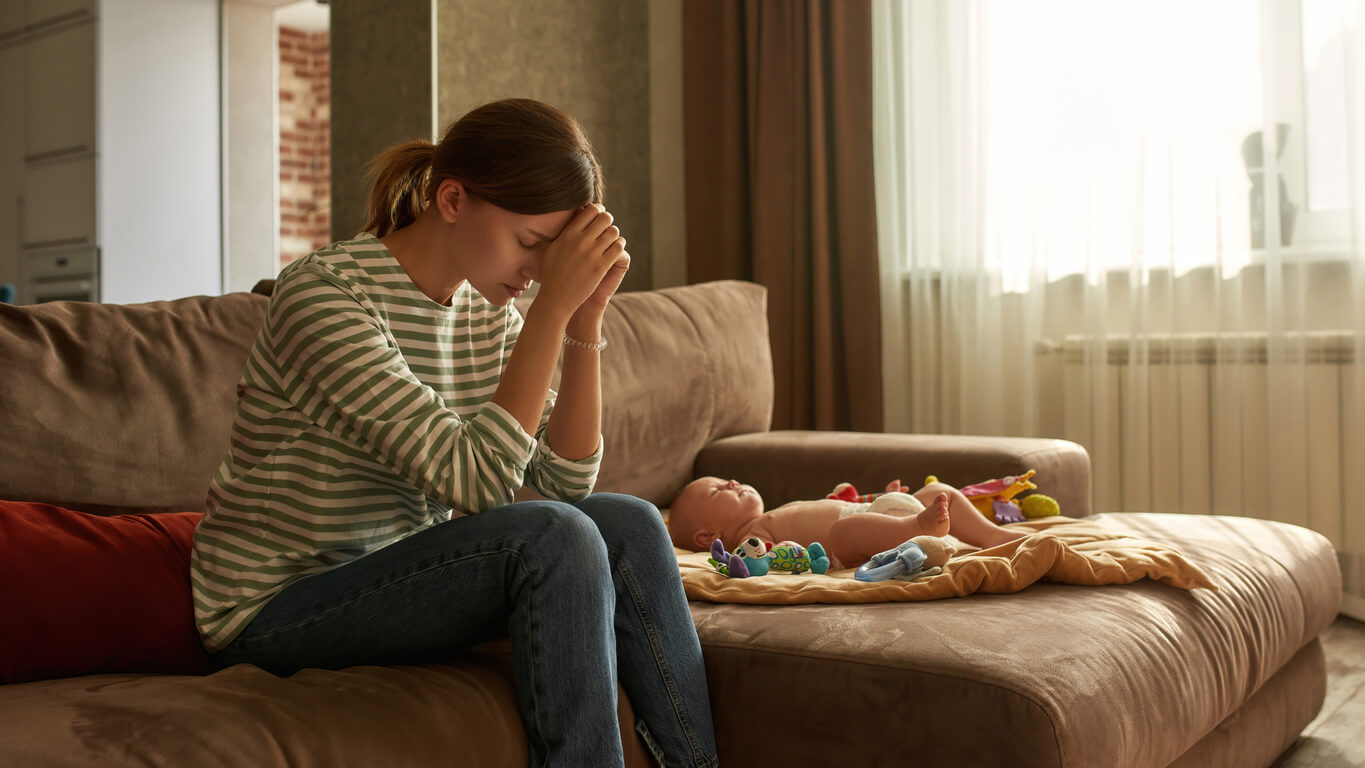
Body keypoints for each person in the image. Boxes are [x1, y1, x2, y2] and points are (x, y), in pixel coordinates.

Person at [190, 98, 718, 768]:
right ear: (451, 199)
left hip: (401, 576)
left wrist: (583, 319)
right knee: (555, 535)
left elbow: (564, 479)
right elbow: (478, 482)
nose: (535, 273)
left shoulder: (484, 312)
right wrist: (549, 310)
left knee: (631, 522)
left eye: (550, 255)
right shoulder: (323, 298)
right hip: (276, 607)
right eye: (530, 244)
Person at [667, 476, 1027, 570]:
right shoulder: (753, 539)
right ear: (708, 536)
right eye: (718, 492)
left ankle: (993, 535)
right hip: (851, 547)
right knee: (844, 532)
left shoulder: (771, 513)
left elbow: (836, 508)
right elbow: (769, 561)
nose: (732, 483)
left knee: (936, 490)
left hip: (874, 517)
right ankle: (916, 527)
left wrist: (876, 501)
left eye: (726, 480)